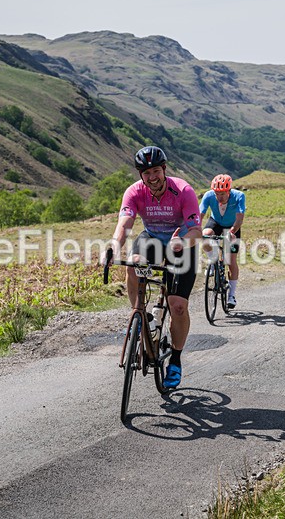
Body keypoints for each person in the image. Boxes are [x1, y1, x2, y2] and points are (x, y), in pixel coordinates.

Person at [103, 146, 203, 389]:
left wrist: (182, 242)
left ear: (164, 170)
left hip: (181, 242)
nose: (152, 177)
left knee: (177, 306)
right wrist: (114, 245)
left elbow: (196, 231)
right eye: (146, 173)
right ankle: (139, 315)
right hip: (152, 239)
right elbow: (125, 224)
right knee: (133, 262)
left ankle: (175, 360)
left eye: (156, 171)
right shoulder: (134, 192)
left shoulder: (183, 190)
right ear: (141, 175)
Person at [199, 174, 246, 309]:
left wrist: (232, 232)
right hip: (216, 222)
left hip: (232, 226)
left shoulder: (239, 196)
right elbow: (199, 215)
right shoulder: (208, 195)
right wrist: (194, 229)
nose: (219, 197)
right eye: (217, 194)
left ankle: (231, 295)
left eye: (223, 194)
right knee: (205, 236)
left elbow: (239, 218)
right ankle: (213, 261)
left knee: (230, 261)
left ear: (229, 191)